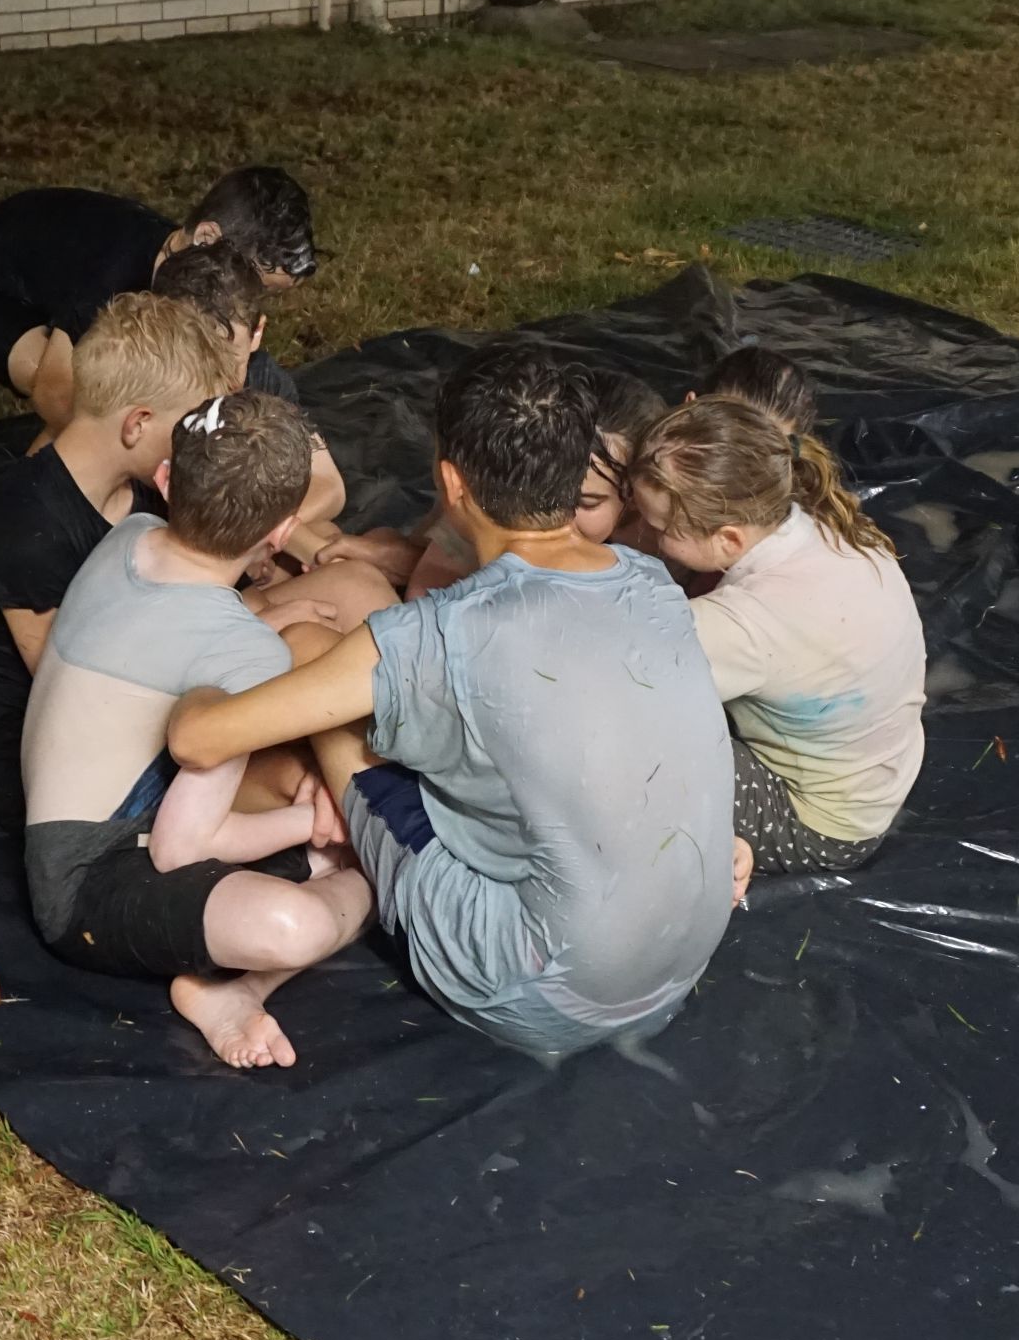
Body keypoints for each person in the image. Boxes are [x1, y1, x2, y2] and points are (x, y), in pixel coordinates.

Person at [167, 347, 736, 1060]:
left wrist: (208, 654)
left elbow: (198, 738)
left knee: (311, 648)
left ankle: (305, 853)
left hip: (535, 991)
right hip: (679, 965)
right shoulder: (652, 583)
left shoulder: (440, 637)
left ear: (451, 483)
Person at [20, 390, 375, 1070]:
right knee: (303, 918)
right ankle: (346, 898)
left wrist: (266, 626)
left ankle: (282, 919)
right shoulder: (241, 655)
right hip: (89, 889)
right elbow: (180, 850)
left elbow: (171, 636)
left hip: (77, 830)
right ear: (283, 531)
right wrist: (315, 823)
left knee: (300, 786)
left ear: (164, 478)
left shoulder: (127, 538)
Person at [0, 291, 236, 826]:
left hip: (136, 695)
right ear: (137, 423)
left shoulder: (139, 491)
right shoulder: (23, 536)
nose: (199, 447)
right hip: (60, 776)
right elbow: (81, 703)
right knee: (276, 753)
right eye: (188, 429)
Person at [627, 390, 926, 875]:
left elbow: (619, 684)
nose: (648, 535)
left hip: (821, 828)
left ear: (728, 539)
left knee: (624, 747)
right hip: (879, 778)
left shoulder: (744, 623)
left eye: (661, 528)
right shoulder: (832, 524)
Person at [0, 166, 317, 428]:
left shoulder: (189, 260)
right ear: (206, 238)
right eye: (252, 284)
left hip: (55, 266)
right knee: (89, 401)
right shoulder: (110, 278)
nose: (249, 303)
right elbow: (55, 395)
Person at [329, 362, 663, 600]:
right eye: (548, 488)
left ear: (637, 496)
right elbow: (427, 590)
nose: (556, 515)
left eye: (585, 502)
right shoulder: (513, 504)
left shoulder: (663, 543)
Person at [150, 240, 346, 541]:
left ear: (257, 333)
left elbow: (329, 487)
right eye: (193, 361)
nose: (212, 382)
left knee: (327, 537)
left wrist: (251, 539)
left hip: (234, 538)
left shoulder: (263, 380)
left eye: (228, 362)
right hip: (170, 541)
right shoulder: (146, 391)